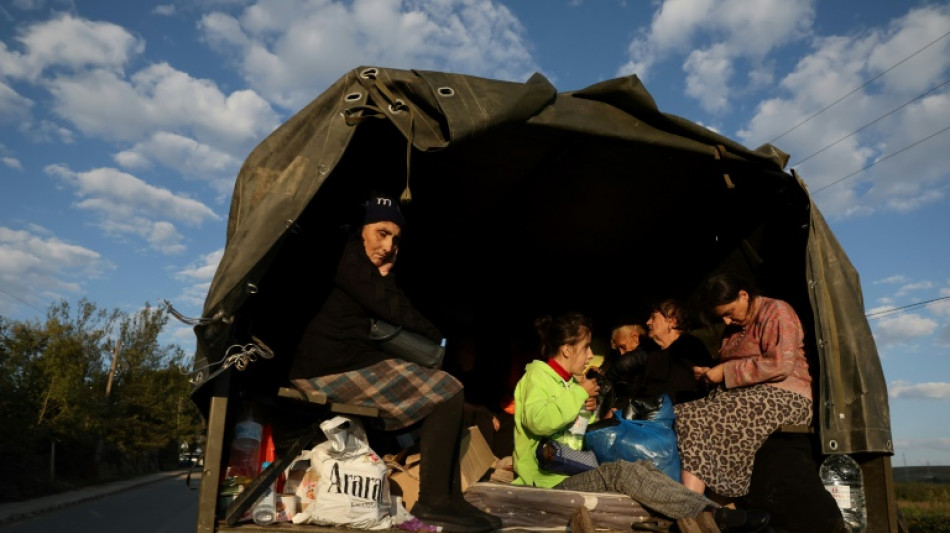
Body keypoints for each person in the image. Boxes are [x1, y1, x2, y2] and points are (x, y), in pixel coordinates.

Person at [288, 196, 501, 533]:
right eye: (382, 233)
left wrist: (384, 276)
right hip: (327, 368)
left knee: (447, 388)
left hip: (349, 361)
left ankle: (450, 499)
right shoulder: (348, 257)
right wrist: (436, 337)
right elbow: (391, 308)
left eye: (395, 239)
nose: (388, 246)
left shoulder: (367, 269)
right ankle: (434, 501)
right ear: (362, 230)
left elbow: (387, 304)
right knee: (447, 391)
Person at [512, 312, 770, 533]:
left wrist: (592, 416)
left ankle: (710, 511)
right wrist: (578, 395)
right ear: (567, 349)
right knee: (621, 473)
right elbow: (539, 422)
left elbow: (570, 433)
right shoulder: (537, 377)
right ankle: (714, 515)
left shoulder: (568, 383)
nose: (590, 355)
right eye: (585, 347)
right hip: (547, 483)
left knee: (641, 466)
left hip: (573, 470)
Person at [674, 272, 813, 499]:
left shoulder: (777, 311)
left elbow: (780, 364)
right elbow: (733, 365)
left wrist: (725, 372)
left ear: (743, 295)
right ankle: (705, 501)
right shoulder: (734, 328)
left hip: (787, 398)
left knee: (695, 417)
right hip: (745, 396)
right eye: (722, 317)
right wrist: (710, 373)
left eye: (729, 313)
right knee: (680, 413)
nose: (727, 321)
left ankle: (692, 504)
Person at [643, 299, 715, 404]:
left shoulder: (689, 346)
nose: (648, 322)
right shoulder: (651, 352)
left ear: (672, 322)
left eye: (653, 317)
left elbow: (681, 388)